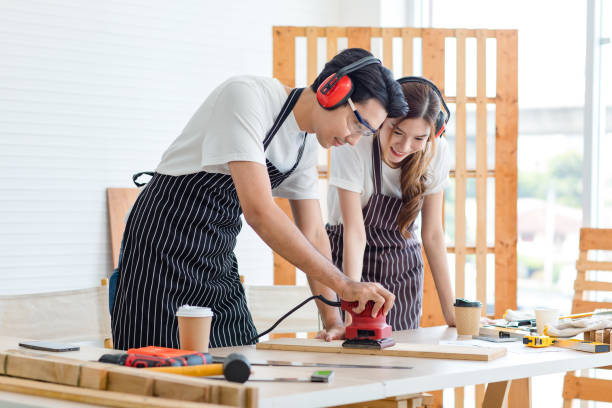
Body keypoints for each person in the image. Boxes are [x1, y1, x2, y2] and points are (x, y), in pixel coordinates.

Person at [111, 48, 409, 350]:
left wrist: (333, 320)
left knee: (238, 354)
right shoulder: (246, 98)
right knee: (155, 363)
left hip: (215, 251)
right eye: (356, 123)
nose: (353, 140)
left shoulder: (304, 146)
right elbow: (259, 211)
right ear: (332, 90)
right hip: (162, 242)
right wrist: (344, 284)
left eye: (366, 132)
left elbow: (314, 233)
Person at [321, 77, 456, 334]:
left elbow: (433, 234)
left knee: (401, 358)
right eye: (397, 131)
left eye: (419, 138)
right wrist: (350, 315)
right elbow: (355, 232)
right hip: (348, 261)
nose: (404, 147)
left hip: (402, 271)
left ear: (433, 135)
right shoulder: (354, 143)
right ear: (383, 119)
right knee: (351, 356)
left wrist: (452, 313)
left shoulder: (436, 152)